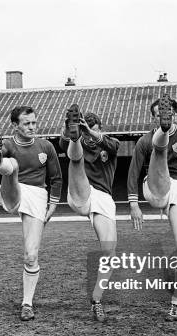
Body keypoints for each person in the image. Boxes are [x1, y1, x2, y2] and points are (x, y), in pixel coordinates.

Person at [0, 106, 62, 321]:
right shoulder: (8, 144)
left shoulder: (46, 146)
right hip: (14, 188)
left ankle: (27, 304)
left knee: (31, 255)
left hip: (37, 195)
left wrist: (53, 205)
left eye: (34, 123)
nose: (31, 127)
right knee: (11, 165)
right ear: (15, 126)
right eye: (26, 123)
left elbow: (56, 178)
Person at [127, 94, 177, 322]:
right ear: (154, 119)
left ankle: (175, 306)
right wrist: (134, 204)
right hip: (154, 185)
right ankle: (162, 138)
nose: (162, 117)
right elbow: (134, 172)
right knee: (159, 148)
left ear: (173, 114)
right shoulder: (144, 141)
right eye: (158, 116)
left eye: (166, 115)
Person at [59, 104, 119, 322]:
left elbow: (111, 145)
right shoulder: (79, 141)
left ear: (99, 129)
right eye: (85, 130)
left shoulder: (109, 143)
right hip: (81, 191)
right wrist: (73, 131)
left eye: (91, 130)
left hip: (103, 199)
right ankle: (75, 139)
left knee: (110, 253)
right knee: (75, 157)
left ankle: (97, 300)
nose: (90, 137)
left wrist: (90, 131)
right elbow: (61, 142)